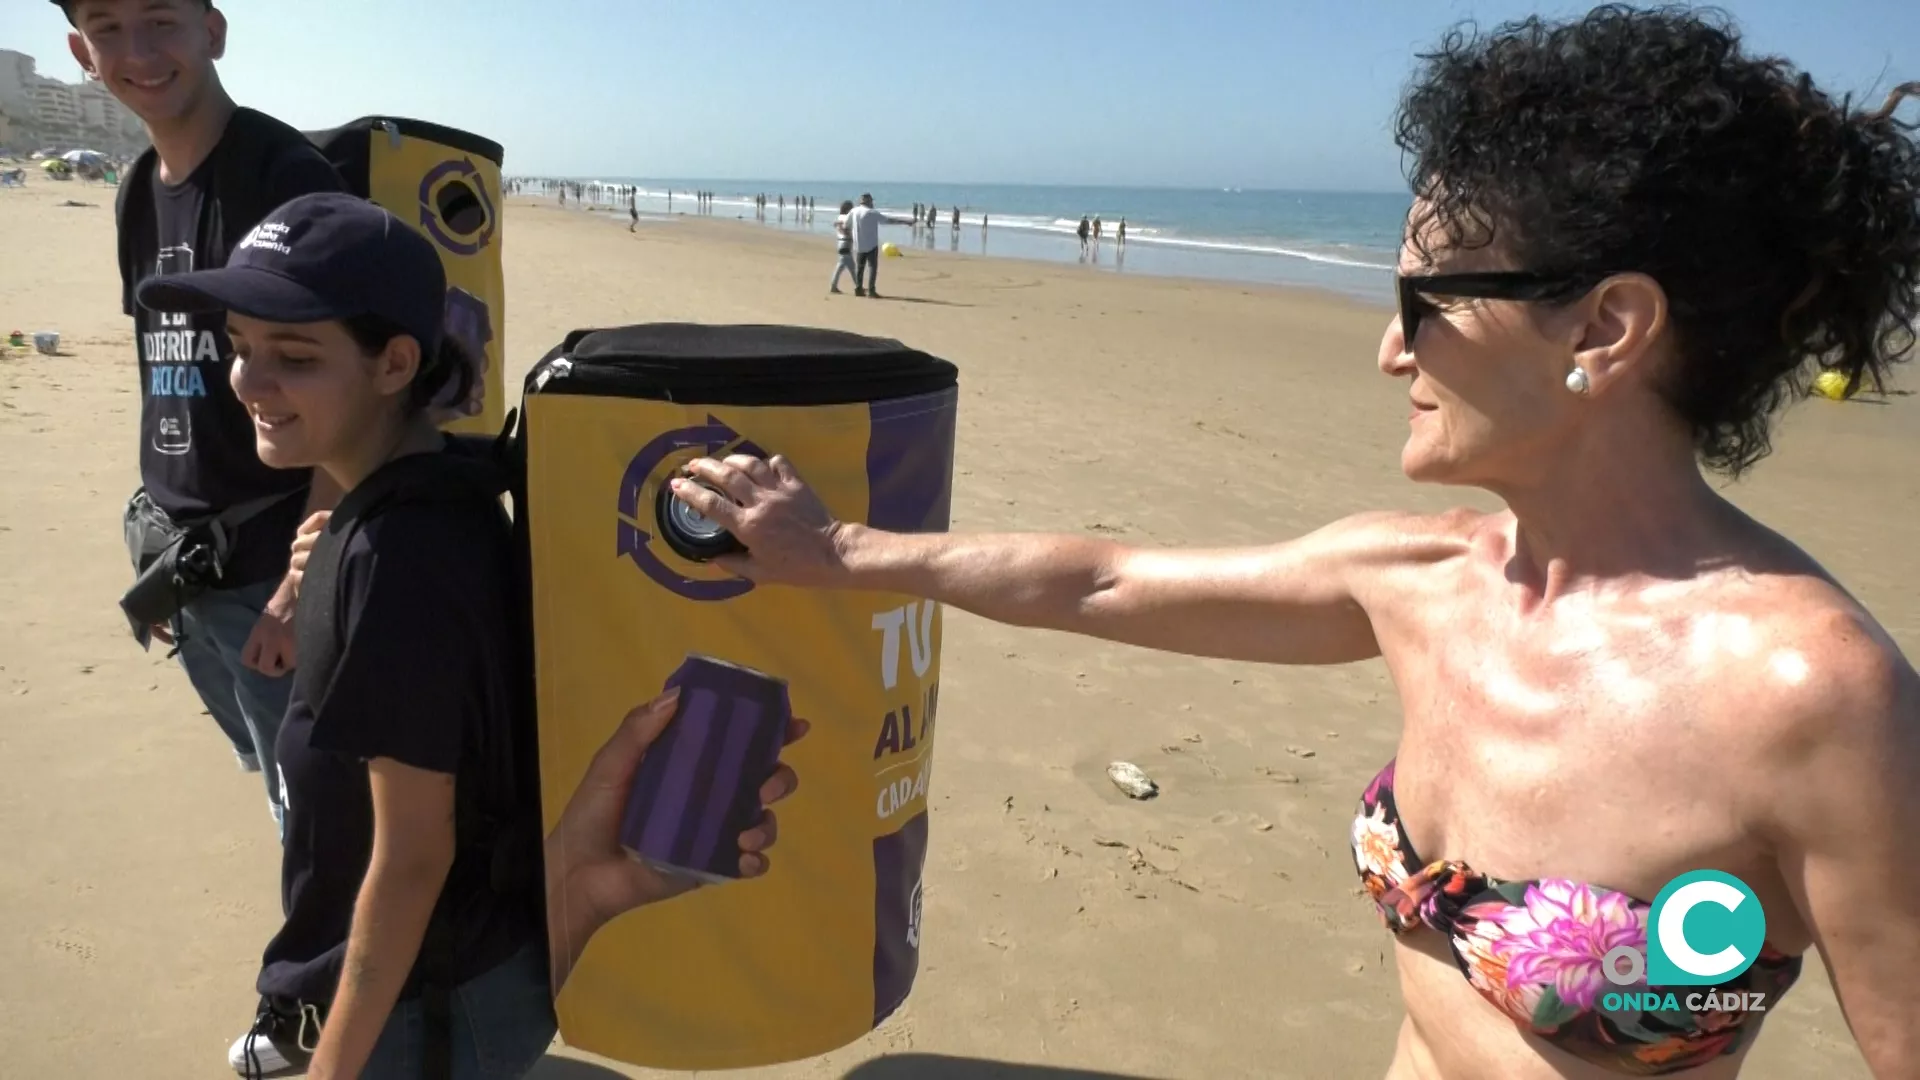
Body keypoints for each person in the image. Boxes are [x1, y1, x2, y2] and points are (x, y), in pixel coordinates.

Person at [667, 9, 1920, 1078]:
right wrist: (839, 554)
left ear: (1604, 328)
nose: (1389, 350)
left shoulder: (1808, 697)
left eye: (1425, 303)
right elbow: (1104, 581)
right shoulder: (1420, 580)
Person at [135, 193, 804, 1080]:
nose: (248, 384)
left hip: (429, 1013)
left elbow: (412, 861)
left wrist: (332, 1069)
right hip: (451, 975)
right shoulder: (431, 493)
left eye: (293, 357)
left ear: (394, 363)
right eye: (239, 346)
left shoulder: (399, 558)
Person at [59, 0, 349, 831]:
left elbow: (352, 399)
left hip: (271, 574)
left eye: (162, 20)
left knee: (318, 823)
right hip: (186, 569)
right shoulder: (137, 191)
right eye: (108, 28)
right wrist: (155, 547)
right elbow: (165, 372)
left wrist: (296, 591)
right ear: (82, 51)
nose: (139, 51)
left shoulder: (281, 179)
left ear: (213, 31)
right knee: (274, 783)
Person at [847, 192, 885, 299]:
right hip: (871, 244)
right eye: (871, 201)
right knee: (872, 267)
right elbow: (887, 220)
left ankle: (858, 288)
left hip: (859, 244)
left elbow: (846, 224)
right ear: (869, 201)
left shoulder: (854, 211)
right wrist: (905, 222)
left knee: (860, 268)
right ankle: (871, 290)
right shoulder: (871, 212)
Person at [829, 199, 858, 295]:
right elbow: (847, 229)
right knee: (847, 266)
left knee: (845, 266)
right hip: (846, 242)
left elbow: (835, 224)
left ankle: (857, 285)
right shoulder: (847, 218)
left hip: (840, 242)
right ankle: (857, 286)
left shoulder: (840, 217)